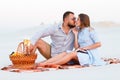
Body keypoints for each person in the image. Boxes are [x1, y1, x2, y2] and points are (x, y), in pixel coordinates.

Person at [38, 13, 106, 66]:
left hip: (89, 55)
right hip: (81, 52)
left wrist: (85, 48)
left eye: (78, 19)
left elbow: (98, 44)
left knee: (71, 54)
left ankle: (49, 64)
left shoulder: (90, 30)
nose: (76, 20)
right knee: (65, 53)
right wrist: (76, 35)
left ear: (83, 21)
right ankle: (46, 62)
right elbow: (76, 47)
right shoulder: (79, 31)